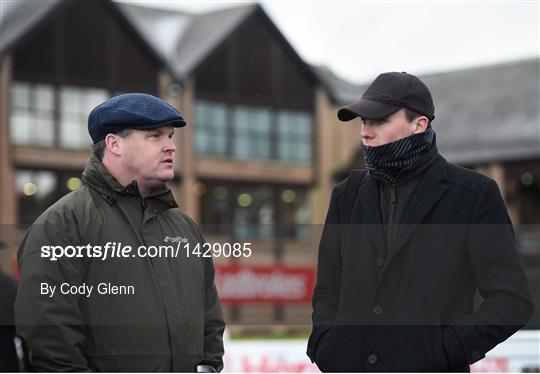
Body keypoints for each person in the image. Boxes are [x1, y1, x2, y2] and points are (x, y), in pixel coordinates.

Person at [307, 72, 534, 372]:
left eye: (379, 120)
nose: (365, 132)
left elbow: (511, 301)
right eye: (363, 121)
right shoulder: (345, 195)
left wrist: (444, 349)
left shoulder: (472, 195)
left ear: (420, 123)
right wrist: (327, 344)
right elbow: (328, 290)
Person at [15, 93, 225, 372]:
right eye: (155, 136)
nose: (171, 147)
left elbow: (209, 316)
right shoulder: (62, 226)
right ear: (114, 143)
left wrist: (209, 365)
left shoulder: (186, 230)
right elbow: (50, 341)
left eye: (170, 136)